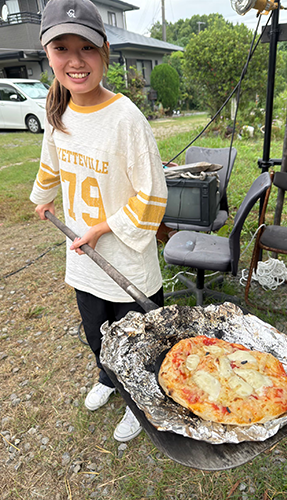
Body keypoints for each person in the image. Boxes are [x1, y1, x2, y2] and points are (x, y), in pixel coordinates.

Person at [30, 0, 167, 443]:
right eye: (62, 48)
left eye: (87, 47)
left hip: (126, 262)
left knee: (137, 342)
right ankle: (108, 379)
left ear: (105, 51)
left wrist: (101, 228)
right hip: (83, 261)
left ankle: (137, 399)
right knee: (97, 333)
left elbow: (152, 195)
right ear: (47, 54)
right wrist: (42, 198)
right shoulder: (58, 113)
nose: (75, 60)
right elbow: (51, 164)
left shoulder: (127, 119)